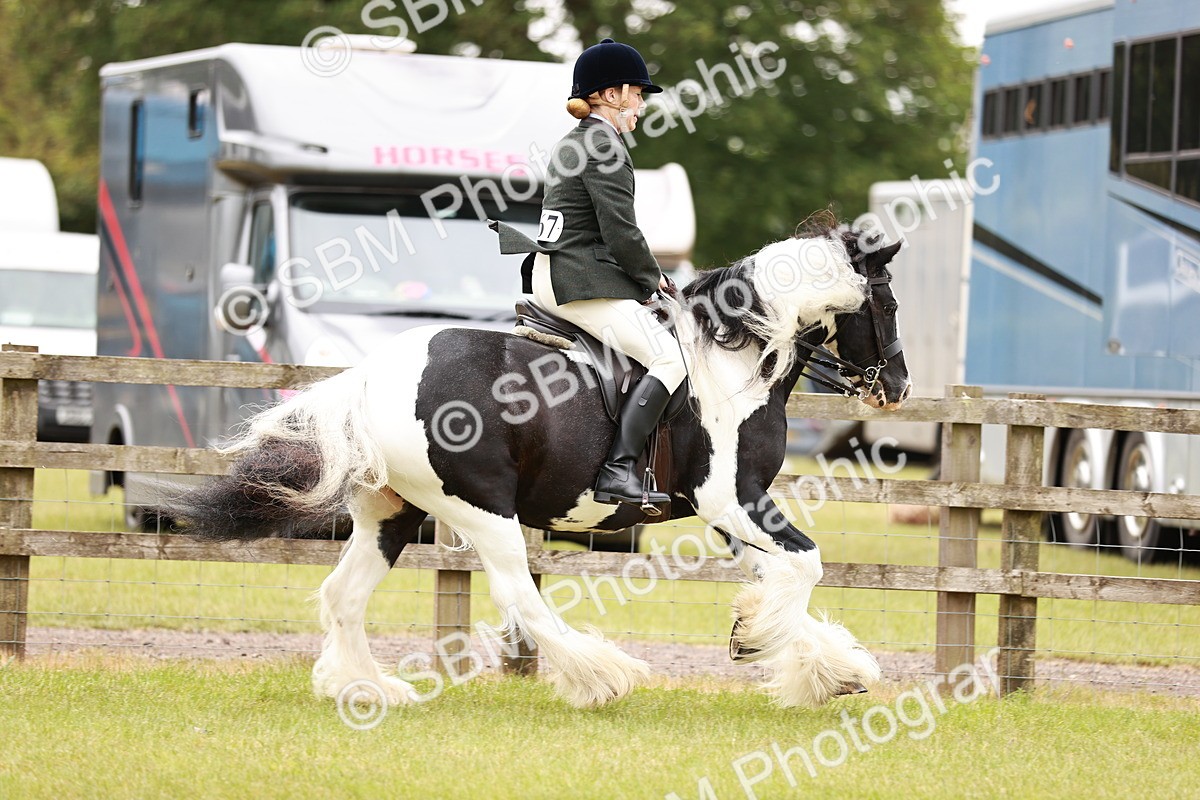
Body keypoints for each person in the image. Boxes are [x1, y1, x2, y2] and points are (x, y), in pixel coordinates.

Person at [493, 38, 687, 510]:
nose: (641, 105)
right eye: (637, 94)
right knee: (670, 360)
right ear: (612, 94)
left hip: (554, 271)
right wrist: (652, 281)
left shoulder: (575, 140)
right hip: (579, 280)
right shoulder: (605, 146)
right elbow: (621, 232)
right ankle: (619, 470)